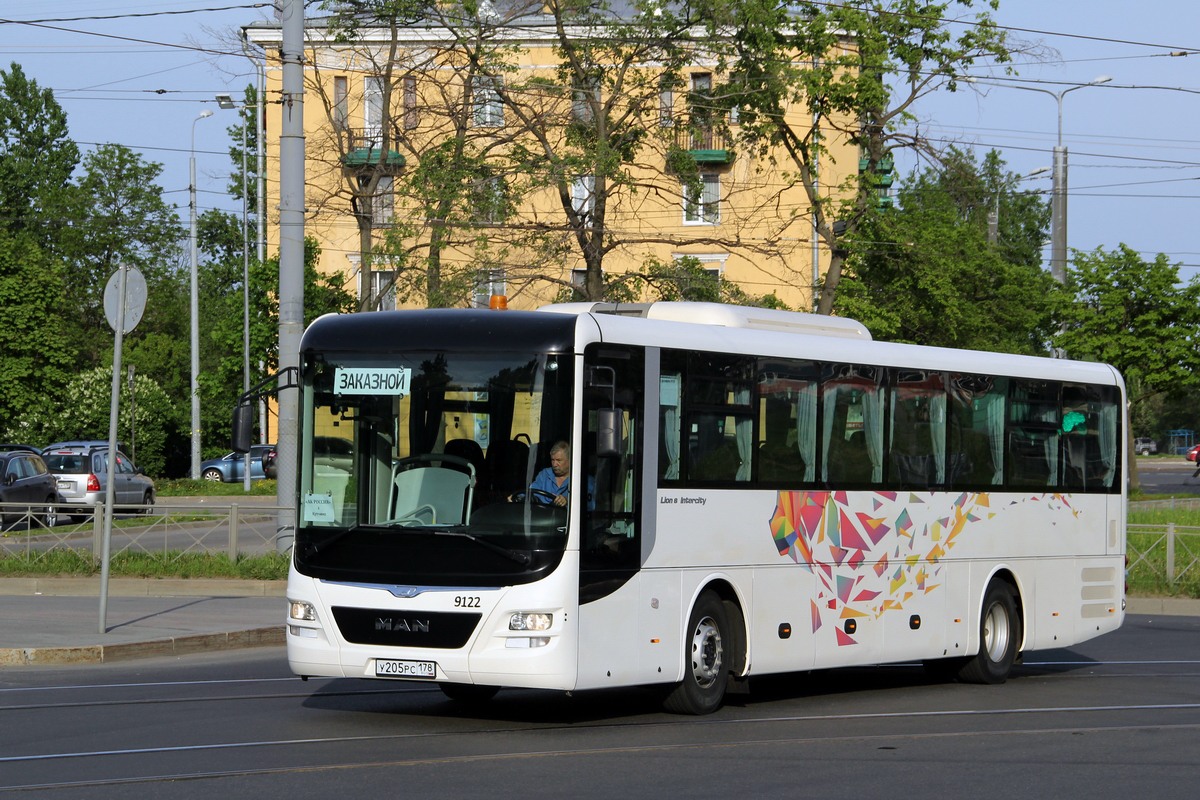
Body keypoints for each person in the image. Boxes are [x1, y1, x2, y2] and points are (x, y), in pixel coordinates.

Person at [527, 440, 573, 507]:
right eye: (552, 460)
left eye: (558, 460)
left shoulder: (580, 479)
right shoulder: (544, 475)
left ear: (570, 460)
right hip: (542, 515)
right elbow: (531, 492)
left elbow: (590, 504)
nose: (554, 464)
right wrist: (519, 497)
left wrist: (567, 500)